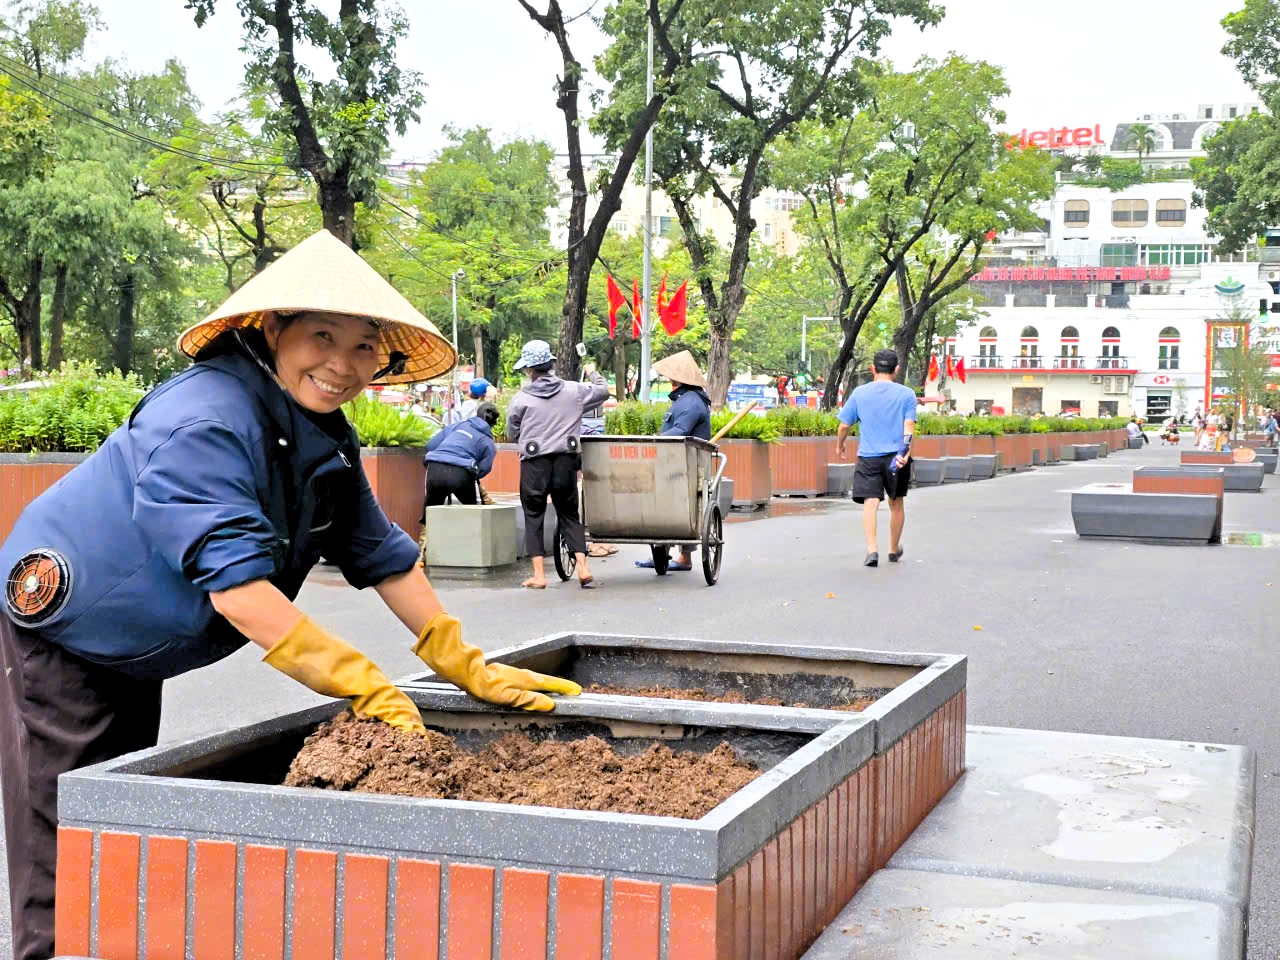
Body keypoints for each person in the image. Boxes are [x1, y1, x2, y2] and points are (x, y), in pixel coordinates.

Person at [0, 232, 581, 960]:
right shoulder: (207, 419)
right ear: (272, 329)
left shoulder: (321, 431)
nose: (342, 365)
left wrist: (458, 658)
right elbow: (241, 593)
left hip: (137, 640)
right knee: (62, 832)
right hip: (72, 628)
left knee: (111, 814)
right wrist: (362, 683)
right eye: (321, 337)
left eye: (366, 347)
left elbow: (380, 553)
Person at [506, 339, 609, 589]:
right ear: (551, 364)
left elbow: (512, 432)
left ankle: (539, 576)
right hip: (566, 460)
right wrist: (592, 371)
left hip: (534, 463)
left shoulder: (520, 399)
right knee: (569, 513)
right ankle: (583, 567)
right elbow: (603, 390)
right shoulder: (574, 391)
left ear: (529, 370)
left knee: (534, 515)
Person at [835, 349, 917, 567]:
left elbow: (844, 425)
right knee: (896, 502)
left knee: (870, 502)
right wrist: (905, 452)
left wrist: (840, 445)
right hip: (895, 457)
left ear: (873, 369)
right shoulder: (907, 394)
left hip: (869, 457)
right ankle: (893, 549)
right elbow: (908, 425)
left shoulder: (859, 393)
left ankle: (872, 550)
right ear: (897, 369)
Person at [634, 351, 712, 572]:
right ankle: (665, 555)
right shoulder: (686, 399)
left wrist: (654, 440)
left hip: (685, 465)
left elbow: (680, 431)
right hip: (673, 462)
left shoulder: (692, 402)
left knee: (678, 508)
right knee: (662, 507)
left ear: (678, 379)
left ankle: (683, 557)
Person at [424, 401, 500, 506]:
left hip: (435, 468)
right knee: (471, 512)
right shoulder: (488, 441)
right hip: (461, 473)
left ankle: (426, 522)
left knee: (430, 511)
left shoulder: (455, 426)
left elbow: (431, 445)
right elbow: (484, 469)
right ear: (493, 423)